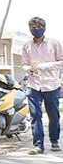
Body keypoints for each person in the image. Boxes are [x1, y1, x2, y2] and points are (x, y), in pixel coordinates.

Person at [22, 16, 63, 155]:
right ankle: (38, 145)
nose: (36, 30)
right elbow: (24, 64)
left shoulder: (54, 44)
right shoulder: (27, 46)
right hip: (34, 85)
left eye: (38, 27)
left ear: (44, 28)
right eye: (33, 28)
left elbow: (61, 62)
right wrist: (30, 69)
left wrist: (42, 66)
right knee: (35, 115)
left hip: (51, 85)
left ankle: (54, 140)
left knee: (54, 116)